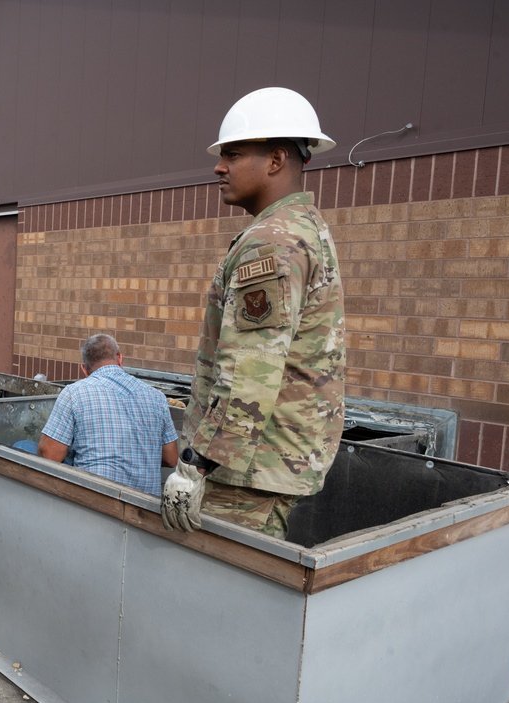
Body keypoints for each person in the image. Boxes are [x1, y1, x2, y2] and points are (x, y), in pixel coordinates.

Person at [161, 87, 346, 539]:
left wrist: (195, 465)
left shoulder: (272, 243)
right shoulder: (300, 229)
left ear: (276, 160)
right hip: (265, 459)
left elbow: (250, 371)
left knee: (220, 595)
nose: (219, 167)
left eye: (234, 153)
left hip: (246, 468)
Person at [36, 334, 178, 495]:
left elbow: (50, 454)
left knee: (24, 445)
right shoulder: (156, 397)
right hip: (145, 505)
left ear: (84, 369)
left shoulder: (74, 392)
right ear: (120, 358)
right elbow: (171, 458)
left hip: (96, 502)